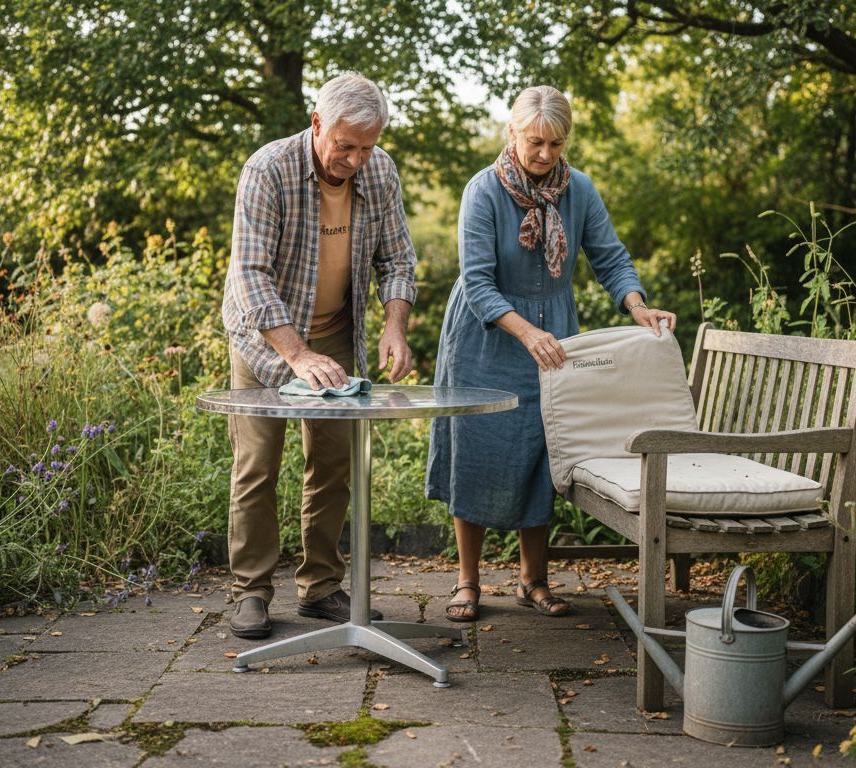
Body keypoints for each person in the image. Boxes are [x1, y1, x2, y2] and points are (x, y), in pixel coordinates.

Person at [426, 86, 677, 622]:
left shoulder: (578, 189)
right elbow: (477, 281)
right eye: (535, 141)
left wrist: (637, 306)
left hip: (555, 333)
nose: (544, 153)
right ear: (512, 133)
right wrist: (525, 332)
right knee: (477, 449)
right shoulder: (483, 190)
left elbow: (610, 257)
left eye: (556, 144)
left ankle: (532, 580)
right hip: (486, 334)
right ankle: (467, 581)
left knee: (545, 449)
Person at [221, 73, 417, 639]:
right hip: (266, 339)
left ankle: (321, 586)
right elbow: (251, 275)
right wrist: (298, 354)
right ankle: (252, 591)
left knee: (333, 464)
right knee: (257, 465)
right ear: (316, 124)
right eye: (345, 146)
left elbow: (397, 260)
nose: (355, 161)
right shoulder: (268, 169)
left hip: (336, 335)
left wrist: (395, 327)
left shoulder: (380, 171)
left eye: (367, 148)